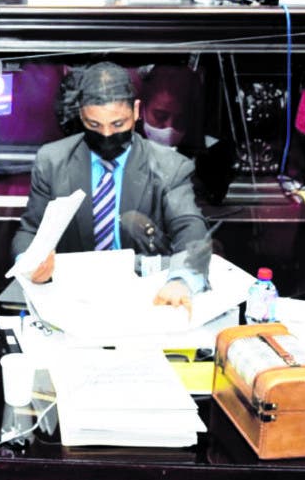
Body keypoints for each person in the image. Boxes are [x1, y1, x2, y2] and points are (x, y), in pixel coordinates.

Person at [12, 62, 210, 310]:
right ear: (81, 115)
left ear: (136, 111)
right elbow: (30, 230)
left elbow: (190, 228)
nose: (106, 135)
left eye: (118, 124)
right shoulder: (53, 161)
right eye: (94, 125)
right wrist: (29, 264)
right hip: (72, 298)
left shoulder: (170, 166)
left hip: (145, 296)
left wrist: (182, 280)